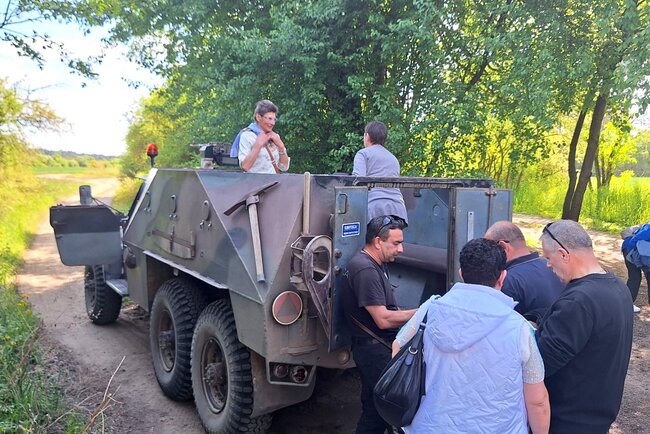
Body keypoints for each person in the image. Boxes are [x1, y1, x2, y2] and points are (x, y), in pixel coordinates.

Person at [393, 238, 550, 434]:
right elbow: (537, 401)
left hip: (429, 427)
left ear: (461, 274)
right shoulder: (519, 328)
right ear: (502, 277)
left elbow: (398, 348)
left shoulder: (429, 310)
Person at [536, 220, 633, 434]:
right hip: (596, 418)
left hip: (566, 421)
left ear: (563, 254)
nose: (548, 265)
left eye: (548, 258)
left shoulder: (578, 301)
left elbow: (539, 367)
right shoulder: (619, 288)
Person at [341, 215, 417, 434]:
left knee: (374, 411)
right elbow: (383, 319)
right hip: (374, 352)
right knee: (392, 410)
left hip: (373, 349)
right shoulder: (365, 269)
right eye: (396, 243)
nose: (401, 249)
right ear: (377, 241)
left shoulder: (374, 264)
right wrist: (423, 311)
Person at [485, 221, 564, 322]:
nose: (486, 255)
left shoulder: (506, 281)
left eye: (488, 249)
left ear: (503, 247)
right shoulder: (552, 267)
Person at [352, 121, 408, 225]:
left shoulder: (363, 154)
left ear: (367, 136)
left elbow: (357, 182)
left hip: (374, 209)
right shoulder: (393, 158)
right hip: (398, 210)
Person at [231, 99, 290, 174]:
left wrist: (281, 146)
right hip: (254, 181)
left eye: (274, 119)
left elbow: (284, 168)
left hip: (273, 180)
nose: (273, 123)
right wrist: (258, 145)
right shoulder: (247, 136)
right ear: (258, 117)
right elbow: (245, 166)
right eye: (269, 119)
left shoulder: (275, 137)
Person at [621, 222, 650, 313]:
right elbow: (634, 240)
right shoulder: (649, 229)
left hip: (642, 254)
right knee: (635, 277)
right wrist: (633, 256)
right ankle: (627, 305)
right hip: (631, 250)